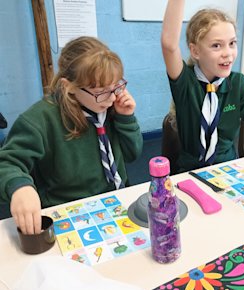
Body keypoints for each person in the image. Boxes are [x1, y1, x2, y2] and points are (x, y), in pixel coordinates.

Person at [0, 36, 143, 234]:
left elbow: (132, 154)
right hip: (68, 212)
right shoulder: (40, 119)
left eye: (116, 87)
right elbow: (6, 163)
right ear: (69, 86)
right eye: (101, 91)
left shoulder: (112, 106)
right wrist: (19, 187)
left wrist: (126, 119)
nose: (111, 98)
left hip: (115, 201)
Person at [161, 0, 244, 201]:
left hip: (227, 171)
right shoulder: (186, 82)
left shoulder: (239, 84)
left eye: (232, 43)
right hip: (189, 175)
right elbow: (169, 45)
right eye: (217, 45)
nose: (228, 53)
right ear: (196, 51)